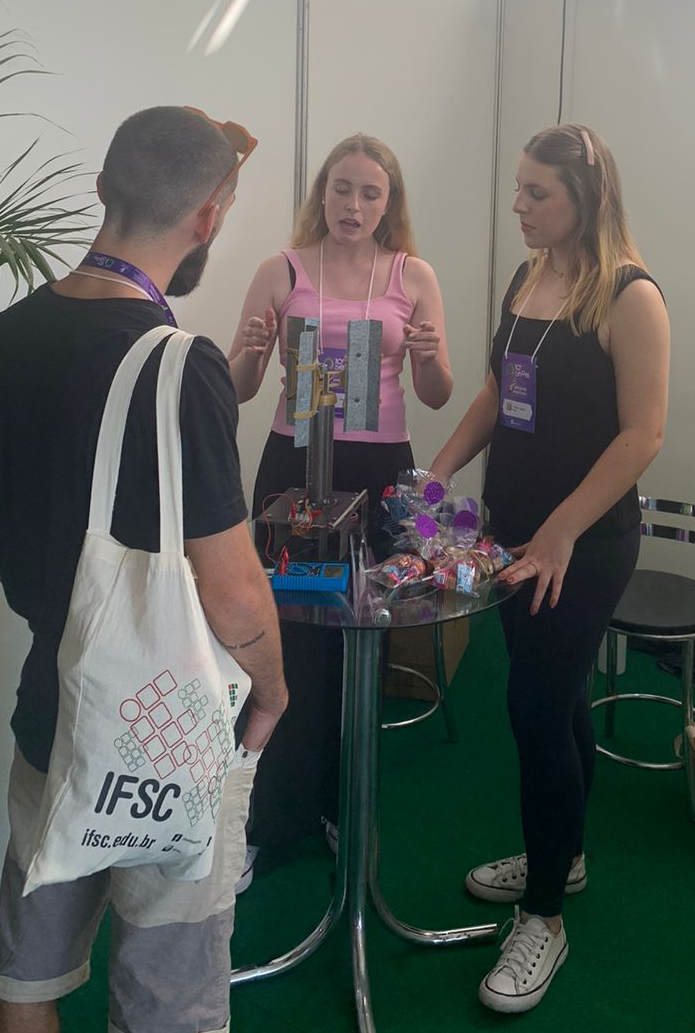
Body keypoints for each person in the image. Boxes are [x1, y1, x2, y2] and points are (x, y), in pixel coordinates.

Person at [0, 106, 288, 1033]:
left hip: (50, 706)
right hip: (170, 729)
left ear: (102, 187)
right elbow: (229, 587)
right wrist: (271, 686)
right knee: (170, 992)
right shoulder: (184, 366)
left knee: (26, 972)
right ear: (210, 219)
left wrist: (64, 606)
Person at [429, 123, 670, 1013]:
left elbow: (643, 432)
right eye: (519, 190)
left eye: (539, 194)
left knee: (532, 705)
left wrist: (564, 530)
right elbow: (499, 387)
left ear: (588, 200)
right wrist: (443, 466)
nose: (520, 207)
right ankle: (561, 854)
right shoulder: (529, 278)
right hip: (513, 530)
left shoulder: (629, 296)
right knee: (556, 695)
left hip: (585, 540)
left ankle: (544, 919)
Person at [228, 133, 452, 864]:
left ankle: (340, 806)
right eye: (342, 188)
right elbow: (237, 386)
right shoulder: (281, 269)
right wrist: (253, 352)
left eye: (370, 192)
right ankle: (268, 816)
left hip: (381, 466)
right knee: (285, 637)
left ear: (390, 204)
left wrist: (427, 357)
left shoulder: (412, 274)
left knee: (365, 634)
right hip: (294, 460)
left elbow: (438, 394)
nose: (353, 205)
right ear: (320, 193)